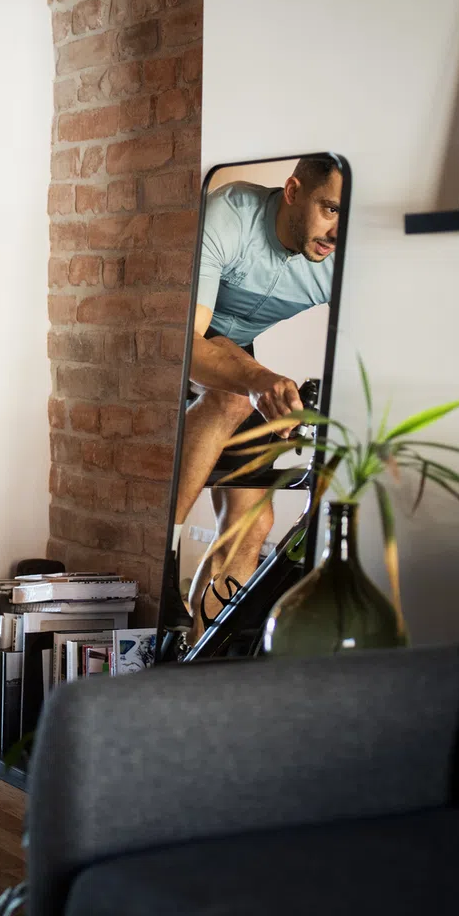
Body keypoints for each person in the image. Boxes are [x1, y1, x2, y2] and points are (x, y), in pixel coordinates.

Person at [173, 155, 340, 616]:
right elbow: (187, 344)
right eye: (329, 209)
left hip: (238, 356)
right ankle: (160, 556)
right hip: (170, 344)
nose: (336, 231)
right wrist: (255, 381)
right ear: (292, 192)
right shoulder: (231, 215)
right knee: (230, 395)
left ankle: (198, 654)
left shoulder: (338, 257)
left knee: (252, 527)